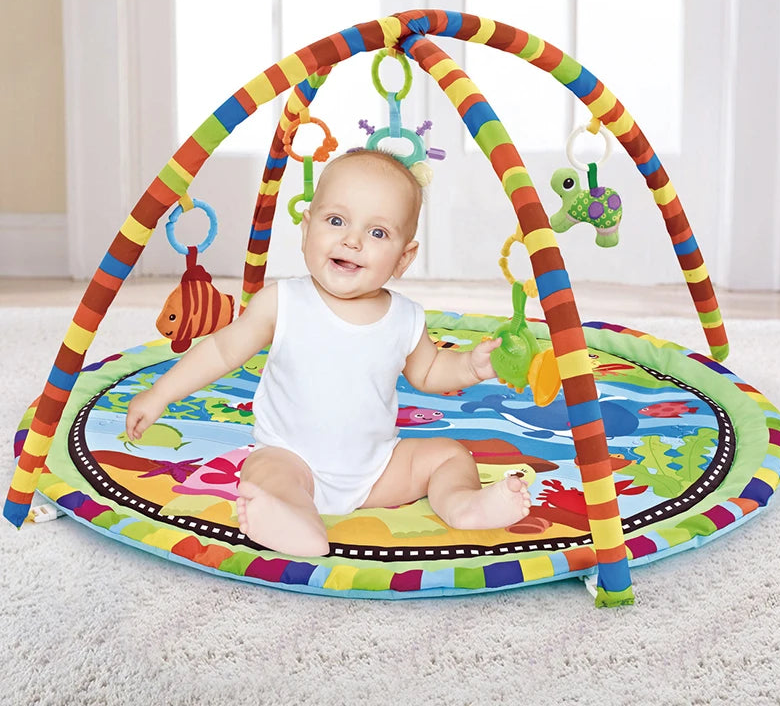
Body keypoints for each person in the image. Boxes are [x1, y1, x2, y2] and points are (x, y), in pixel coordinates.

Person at [126, 149, 531, 557]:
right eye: (336, 221)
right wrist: (161, 393)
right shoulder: (283, 301)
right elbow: (221, 349)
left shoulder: (405, 317)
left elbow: (429, 372)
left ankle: (463, 504)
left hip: (378, 470)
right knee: (265, 472)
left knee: (449, 455)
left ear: (403, 257)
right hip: (293, 458)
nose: (351, 240)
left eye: (377, 233)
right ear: (306, 230)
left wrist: (471, 366)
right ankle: (296, 522)